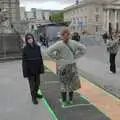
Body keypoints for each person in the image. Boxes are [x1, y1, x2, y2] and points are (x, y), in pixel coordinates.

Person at [47, 28, 86, 105]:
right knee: (71, 84)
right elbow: (84, 49)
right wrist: (76, 56)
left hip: (62, 67)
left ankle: (64, 101)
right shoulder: (74, 43)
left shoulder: (59, 44)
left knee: (63, 84)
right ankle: (71, 100)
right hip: (72, 66)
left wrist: (56, 58)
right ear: (69, 35)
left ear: (61, 35)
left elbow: (48, 51)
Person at [22, 33, 44, 105]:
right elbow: (24, 61)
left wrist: (41, 68)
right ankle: (33, 98)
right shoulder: (25, 49)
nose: (29, 40)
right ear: (26, 40)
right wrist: (25, 72)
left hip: (37, 69)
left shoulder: (37, 47)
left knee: (37, 83)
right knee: (32, 85)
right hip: (29, 70)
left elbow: (40, 58)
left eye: (30, 38)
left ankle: (36, 93)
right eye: (28, 39)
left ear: (33, 38)